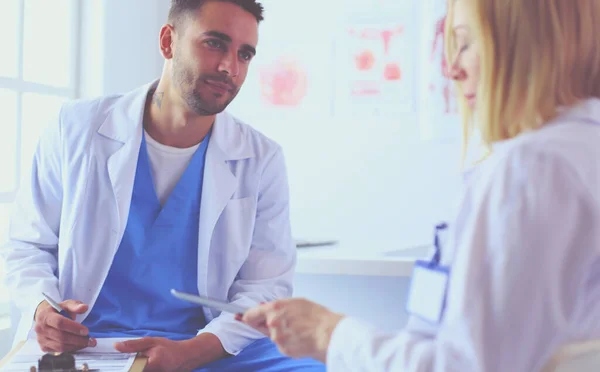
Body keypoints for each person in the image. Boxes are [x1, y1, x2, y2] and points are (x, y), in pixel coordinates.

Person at [238, 0, 600, 371]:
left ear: (525, 43)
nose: (451, 69)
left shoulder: (530, 168)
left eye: (465, 42)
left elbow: (467, 366)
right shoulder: (580, 151)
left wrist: (327, 334)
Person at [2, 0, 325, 371]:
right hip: (95, 341)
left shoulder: (260, 158)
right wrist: (43, 308)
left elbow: (266, 286)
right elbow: (28, 245)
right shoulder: (75, 129)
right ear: (168, 41)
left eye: (245, 54)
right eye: (214, 43)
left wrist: (196, 350)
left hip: (205, 343)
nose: (229, 67)